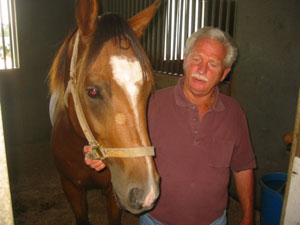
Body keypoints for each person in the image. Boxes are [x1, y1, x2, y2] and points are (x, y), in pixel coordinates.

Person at [84, 27, 256, 225]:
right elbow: (123, 141)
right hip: (155, 221)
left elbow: (243, 167)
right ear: (185, 60)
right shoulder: (150, 104)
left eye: (213, 64)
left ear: (224, 73)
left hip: (213, 221)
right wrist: (101, 153)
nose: (201, 70)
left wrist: (248, 215)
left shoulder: (233, 113)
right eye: (197, 59)